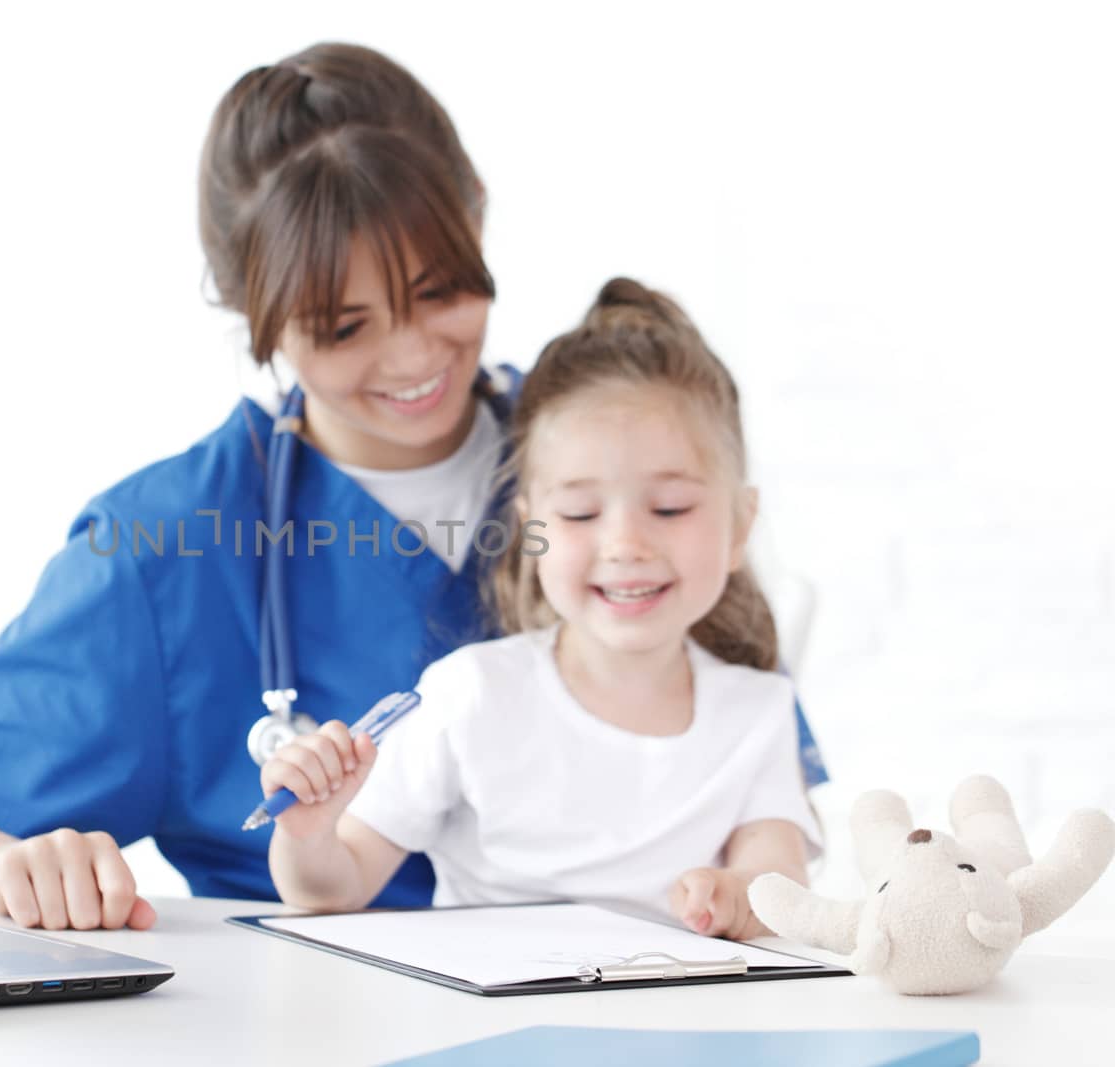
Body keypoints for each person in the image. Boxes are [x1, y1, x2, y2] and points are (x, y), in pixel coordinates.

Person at [0, 43, 824, 933]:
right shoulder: (172, 545)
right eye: (342, 327)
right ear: (253, 313)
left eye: (437, 290)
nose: (414, 353)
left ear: (474, 210)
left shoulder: (624, 468)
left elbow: (751, 788)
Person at [262, 279, 822, 941]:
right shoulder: (472, 693)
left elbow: (778, 892)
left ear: (739, 525)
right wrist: (310, 832)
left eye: (670, 507)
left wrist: (732, 897)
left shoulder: (756, 712)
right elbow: (336, 886)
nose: (626, 544)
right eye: (582, 512)